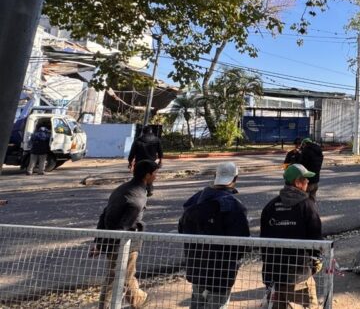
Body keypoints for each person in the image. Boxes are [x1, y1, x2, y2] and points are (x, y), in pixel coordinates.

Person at [179, 162, 251, 308]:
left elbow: (182, 228)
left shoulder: (194, 201)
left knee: (198, 302)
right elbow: (242, 242)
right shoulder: (234, 206)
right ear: (235, 178)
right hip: (222, 272)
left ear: (215, 176)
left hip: (196, 267)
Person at [95, 160, 158, 309]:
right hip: (125, 243)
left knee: (124, 275)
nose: (156, 176)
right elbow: (125, 226)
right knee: (119, 277)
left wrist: (99, 242)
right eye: (155, 173)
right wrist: (102, 243)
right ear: (147, 175)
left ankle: (139, 300)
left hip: (114, 240)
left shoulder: (122, 188)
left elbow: (104, 214)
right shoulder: (137, 197)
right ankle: (115, 305)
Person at [260, 164, 323, 308]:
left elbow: (263, 242)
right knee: (309, 305)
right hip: (299, 273)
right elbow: (315, 237)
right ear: (297, 183)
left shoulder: (270, 207)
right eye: (305, 179)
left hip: (273, 274)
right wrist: (316, 261)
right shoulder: (307, 206)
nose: (308, 182)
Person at [127, 126, 164, 196]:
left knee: (138, 177)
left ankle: (138, 190)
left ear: (143, 132)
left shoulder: (138, 140)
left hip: (139, 163)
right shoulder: (156, 140)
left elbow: (132, 152)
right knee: (149, 176)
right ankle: (149, 189)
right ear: (151, 132)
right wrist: (160, 161)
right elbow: (160, 151)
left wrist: (130, 162)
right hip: (151, 163)